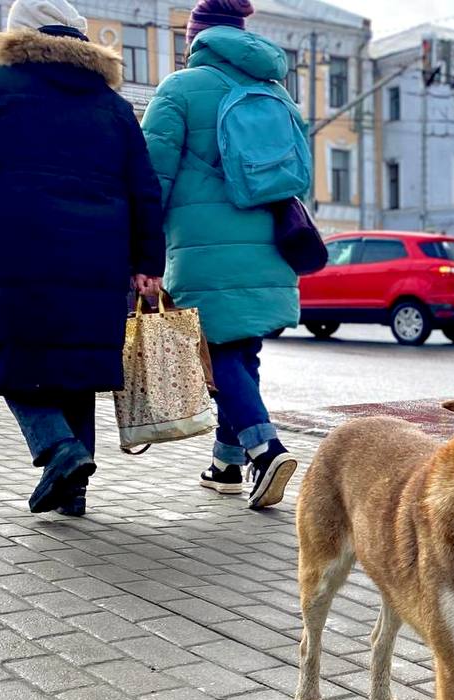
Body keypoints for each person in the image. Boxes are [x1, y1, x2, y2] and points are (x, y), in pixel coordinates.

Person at [0, 0, 165, 517]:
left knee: (14, 361)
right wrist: (148, 260)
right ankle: (72, 492)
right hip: (101, 258)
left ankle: (59, 450)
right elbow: (144, 189)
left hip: (17, 248)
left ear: (16, 35)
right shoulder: (113, 105)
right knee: (76, 368)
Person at [142, 0, 303, 511]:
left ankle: (264, 447)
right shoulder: (277, 93)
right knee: (241, 352)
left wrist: (141, 248)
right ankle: (226, 464)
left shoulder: (180, 89)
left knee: (218, 354)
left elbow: (153, 180)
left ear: (197, 38)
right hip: (272, 242)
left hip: (202, 246)